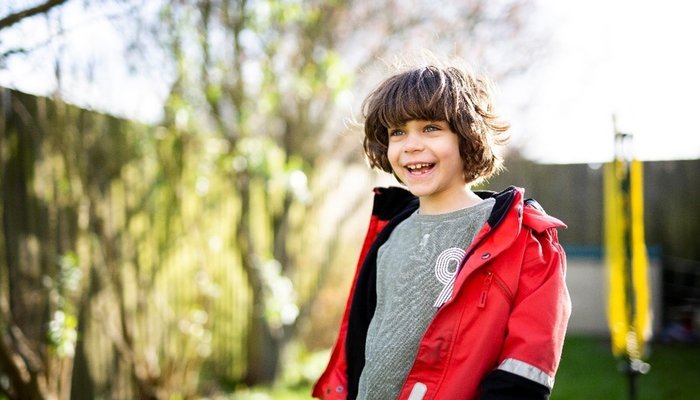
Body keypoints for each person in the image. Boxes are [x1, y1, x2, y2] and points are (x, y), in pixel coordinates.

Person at [312, 62, 571, 400]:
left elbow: (523, 376)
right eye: (398, 132)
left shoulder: (525, 242)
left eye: (431, 128)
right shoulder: (388, 236)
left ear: (468, 135)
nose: (411, 145)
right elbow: (362, 347)